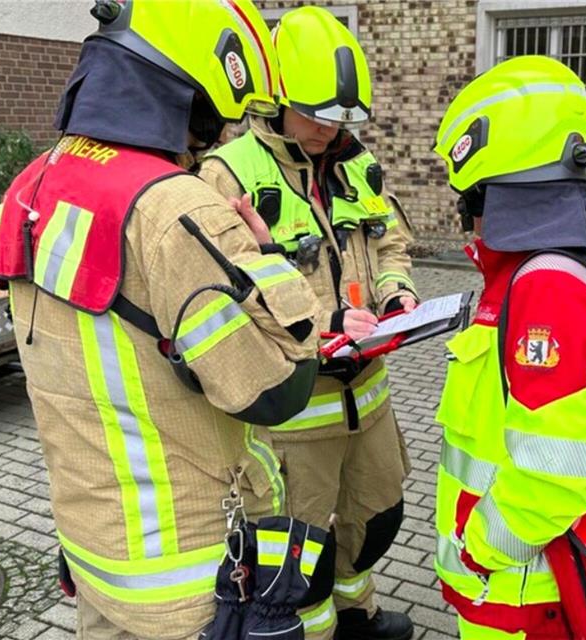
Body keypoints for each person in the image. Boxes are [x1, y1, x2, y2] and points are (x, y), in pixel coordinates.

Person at [0, 1, 322, 637]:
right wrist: (269, 260)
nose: (216, 138)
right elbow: (278, 391)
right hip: (191, 576)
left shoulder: (33, 184)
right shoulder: (176, 208)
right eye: (217, 120)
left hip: (94, 551)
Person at [199, 7, 415, 639]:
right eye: (314, 112)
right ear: (276, 97)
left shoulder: (357, 164)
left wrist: (397, 294)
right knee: (300, 555)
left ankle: (357, 614)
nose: (328, 127)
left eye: (341, 115)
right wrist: (326, 321)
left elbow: (391, 244)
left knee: (376, 519)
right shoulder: (227, 173)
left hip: (367, 398)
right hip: (297, 413)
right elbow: (227, 290)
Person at [431, 55, 586, 639]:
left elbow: (555, 472)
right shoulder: (537, 272)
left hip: (517, 588)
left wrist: (482, 547)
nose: (468, 214)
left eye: (471, 198)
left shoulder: (546, 286)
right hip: (514, 581)